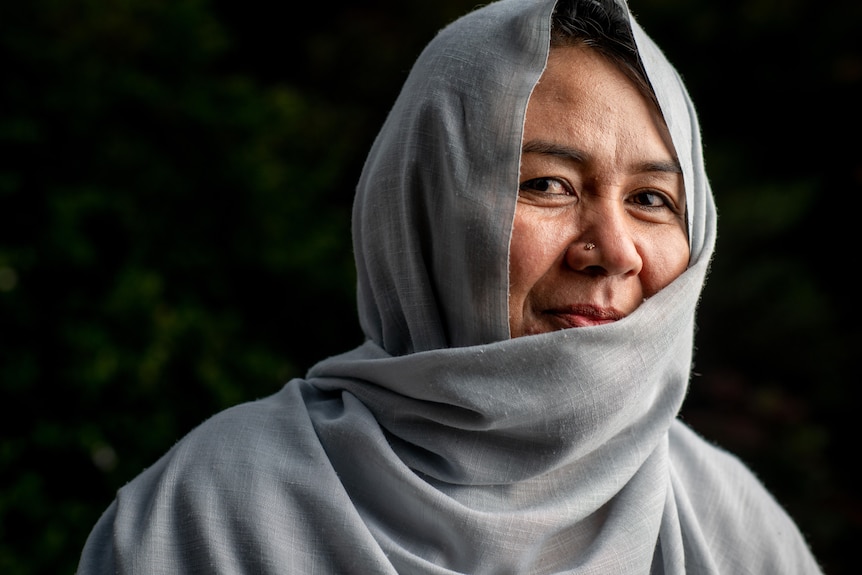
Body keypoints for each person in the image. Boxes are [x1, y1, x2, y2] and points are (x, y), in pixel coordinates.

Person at [76, 0, 824, 572]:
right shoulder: (210, 515)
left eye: (653, 199)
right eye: (549, 184)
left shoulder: (734, 531)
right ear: (427, 206)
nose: (614, 250)